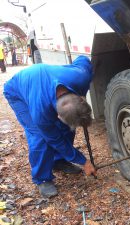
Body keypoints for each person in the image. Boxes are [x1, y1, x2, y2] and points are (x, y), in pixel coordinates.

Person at [3, 56, 96, 198]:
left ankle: (58, 161)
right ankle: (42, 178)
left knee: (66, 128)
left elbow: (83, 59)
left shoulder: (80, 77)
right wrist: (83, 161)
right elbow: (55, 139)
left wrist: (83, 89)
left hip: (42, 81)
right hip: (17, 92)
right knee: (40, 137)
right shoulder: (41, 111)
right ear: (57, 114)